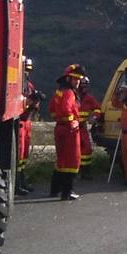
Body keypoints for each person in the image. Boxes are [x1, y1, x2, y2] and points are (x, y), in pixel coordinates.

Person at [48, 65, 84, 201]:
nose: (78, 82)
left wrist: (58, 119)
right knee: (73, 161)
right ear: (68, 78)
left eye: (79, 79)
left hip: (59, 128)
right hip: (70, 131)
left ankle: (54, 190)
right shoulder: (69, 92)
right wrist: (72, 121)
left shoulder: (59, 91)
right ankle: (67, 192)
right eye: (75, 79)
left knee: (61, 160)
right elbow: (66, 108)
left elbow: (52, 108)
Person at [15, 59, 42, 196]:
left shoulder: (28, 85)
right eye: (25, 69)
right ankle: (16, 184)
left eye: (28, 70)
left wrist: (36, 101)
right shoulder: (16, 84)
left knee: (24, 156)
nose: (26, 72)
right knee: (18, 155)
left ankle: (22, 180)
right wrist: (30, 101)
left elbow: (32, 103)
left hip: (27, 122)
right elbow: (18, 103)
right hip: (20, 121)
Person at [76, 75, 102, 179]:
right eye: (82, 86)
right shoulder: (72, 96)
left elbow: (97, 108)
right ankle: (72, 172)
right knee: (73, 150)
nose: (84, 88)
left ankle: (85, 172)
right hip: (71, 128)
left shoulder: (89, 98)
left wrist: (94, 117)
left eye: (85, 86)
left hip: (82, 127)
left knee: (86, 149)